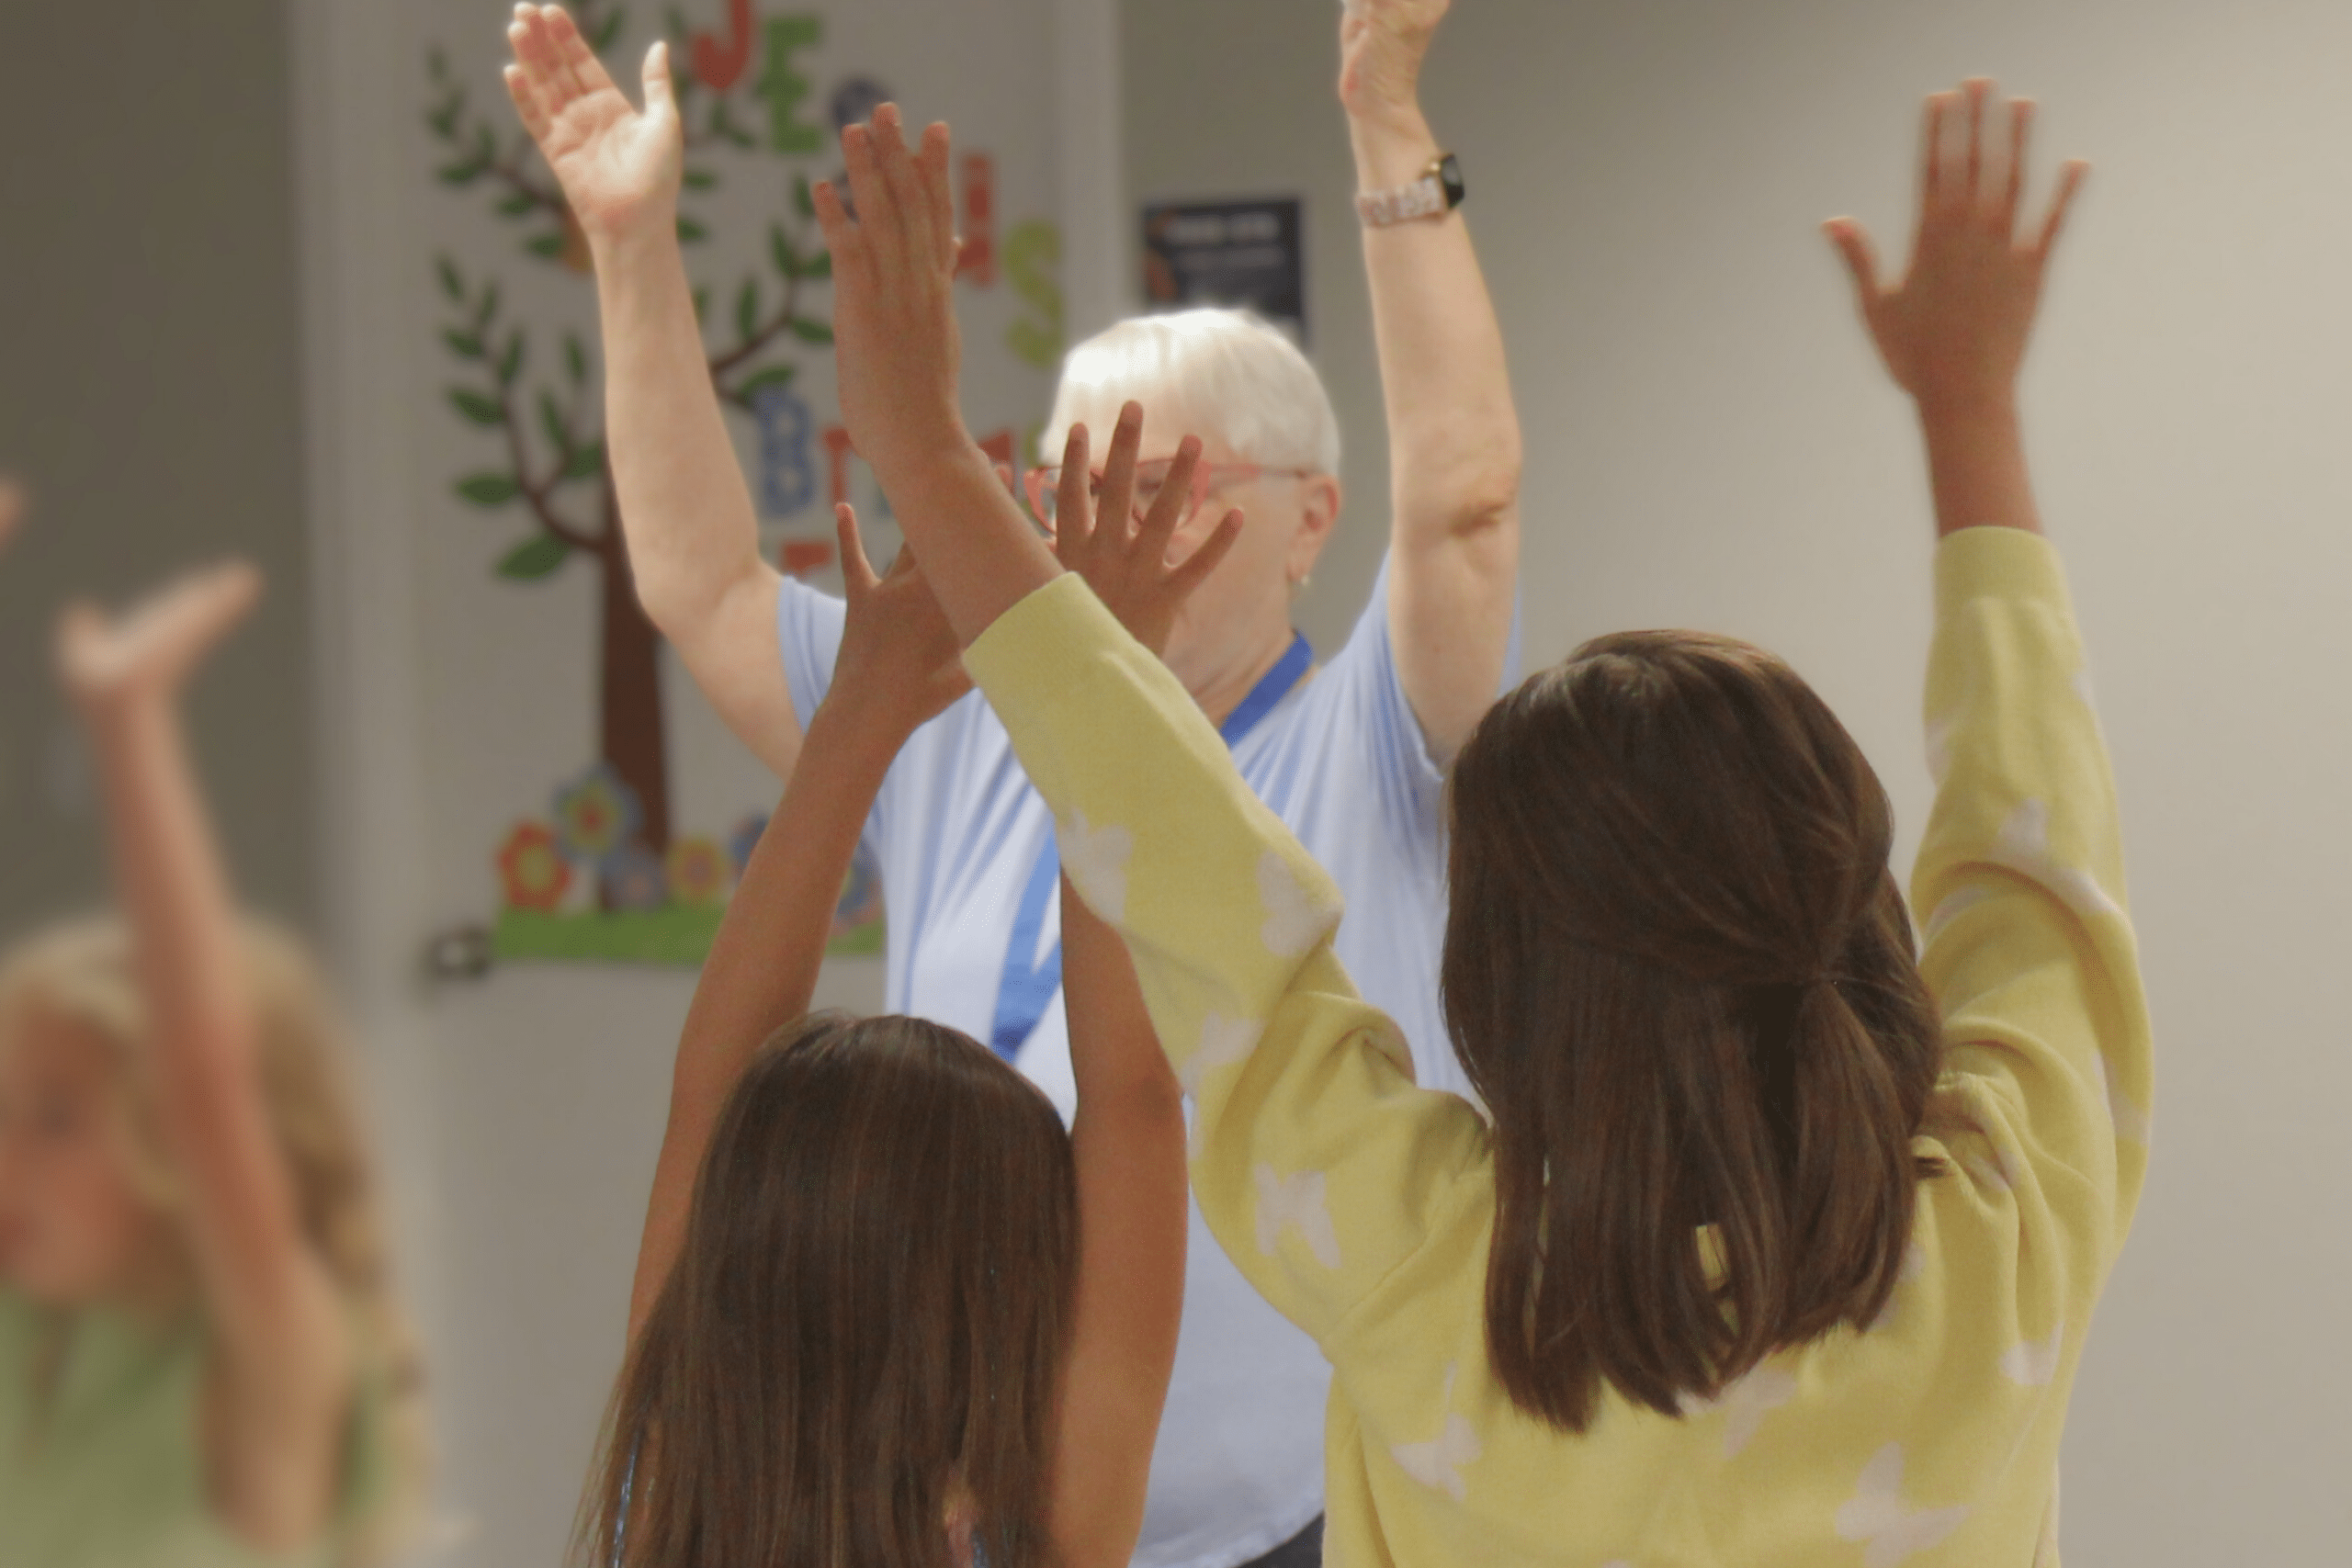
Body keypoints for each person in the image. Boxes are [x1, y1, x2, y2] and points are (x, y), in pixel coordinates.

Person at [820, 76, 2149, 1567]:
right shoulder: (2003, 1242)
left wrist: (925, 453)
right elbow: (2040, 861)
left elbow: (1191, 876)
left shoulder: (1440, 1281)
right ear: (1855, 909)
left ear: (1498, 984)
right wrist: (1971, 412)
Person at [501, 0, 1520, 1559]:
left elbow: (1463, 498)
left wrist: (1387, 119)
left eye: (1157, 481)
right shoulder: (965, 724)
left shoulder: (1374, 736)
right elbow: (704, 584)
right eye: (1058, 485)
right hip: (978, 1499)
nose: (1086, 522)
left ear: (1312, 518)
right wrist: (634, 252)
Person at [577, 502, 1212, 1568]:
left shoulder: (671, 1490)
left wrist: (860, 707)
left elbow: (712, 1090)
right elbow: (1134, 1096)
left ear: (731, 1261)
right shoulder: (1045, 1527)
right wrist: (1100, 680)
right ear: (1014, 1296)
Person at [0, 564, 424, 1566]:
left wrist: (128, 722)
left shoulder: (273, 1361)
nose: (5, 1159)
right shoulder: (37, 1333)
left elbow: (203, 1080)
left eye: (56, 1118)